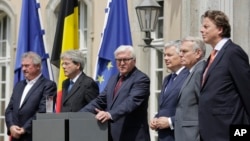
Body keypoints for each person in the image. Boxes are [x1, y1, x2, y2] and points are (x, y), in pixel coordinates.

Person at [80, 45, 151, 141]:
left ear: (134, 61)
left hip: (133, 136)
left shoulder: (141, 79)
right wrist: (80, 114)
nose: (122, 63)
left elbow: (131, 102)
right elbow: (100, 100)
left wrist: (109, 114)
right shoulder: (113, 79)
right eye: (118, 60)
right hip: (112, 135)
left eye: (125, 60)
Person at [199, 10, 250, 141]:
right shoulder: (213, 56)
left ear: (220, 29)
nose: (201, 30)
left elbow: (247, 90)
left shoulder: (233, 53)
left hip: (228, 128)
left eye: (206, 26)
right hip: (211, 129)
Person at [5, 52, 57, 141]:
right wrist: (11, 126)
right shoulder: (19, 85)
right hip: (15, 136)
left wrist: (25, 128)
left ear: (38, 66)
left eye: (27, 65)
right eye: (22, 66)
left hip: (34, 136)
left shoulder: (49, 86)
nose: (24, 69)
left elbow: (45, 111)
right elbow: (9, 109)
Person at [149, 40, 189, 141]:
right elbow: (165, 106)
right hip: (163, 136)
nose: (165, 58)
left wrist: (171, 121)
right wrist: (156, 118)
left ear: (181, 55)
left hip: (179, 135)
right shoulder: (167, 79)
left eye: (169, 55)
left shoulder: (189, 77)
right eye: (165, 55)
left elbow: (191, 109)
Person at [174, 36, 206, 141]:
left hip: (193, 135)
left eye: (184, 51)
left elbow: (204, 106)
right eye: (180, 51)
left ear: (198, 53)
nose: (180, 54)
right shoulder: (192, 71)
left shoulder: (200, 71)